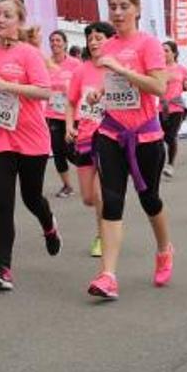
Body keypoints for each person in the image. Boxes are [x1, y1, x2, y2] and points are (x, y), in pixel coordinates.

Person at [0, 0, 59, 291]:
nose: (0, 19)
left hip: (31, 139)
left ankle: (49, 225)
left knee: (31, 198)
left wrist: (9, 87)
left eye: (7, 15)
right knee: (3, 204)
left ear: (19, 21)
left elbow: (44, 92)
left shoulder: (30, 54)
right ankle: (3, 268)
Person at [87, 0, 174, 300]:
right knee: (111, 200)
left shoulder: (148, 44)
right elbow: (111, 83)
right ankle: (108, 275)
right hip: (111, 132)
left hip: (146, 136)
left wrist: (122, 69)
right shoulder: (106, 46)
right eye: (113, 6)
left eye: (124, 6)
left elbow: (159, 87)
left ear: (137, 9)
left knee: (150, 199)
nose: (118, 12)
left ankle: (164, 249)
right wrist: (100, 92)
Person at [66, 21, 114, 259]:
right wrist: (68, 126)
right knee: (87, 197)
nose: (93, 42)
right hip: (84, 136)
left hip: (109, 135)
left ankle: (103, 235)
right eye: (90, 38)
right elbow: (71, 102)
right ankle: (110, 210)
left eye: (99, 37)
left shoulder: (116, 68)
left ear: (110, 40)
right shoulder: (81, 70)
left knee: (99, 193)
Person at [43, 29, 79, 198]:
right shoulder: (46, 64)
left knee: (72, 152)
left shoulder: (75, 64)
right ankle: (67, 186)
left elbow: (81, 85)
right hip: (52, 114)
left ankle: (94, 173)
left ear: (65, 43)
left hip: (72, 115)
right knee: (58, 152)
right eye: (52, 40)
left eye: (58, 40)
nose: (55, 43)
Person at [159, 40, 187, 178]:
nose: (163, 53)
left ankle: (170, 164)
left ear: (174, 53)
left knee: (170, 136)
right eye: (162, 51)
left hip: (177, 107)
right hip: (161, 107)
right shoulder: (158, 69)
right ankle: (158, 164)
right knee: (160, 138)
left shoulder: (181, 69)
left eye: (166, 50)